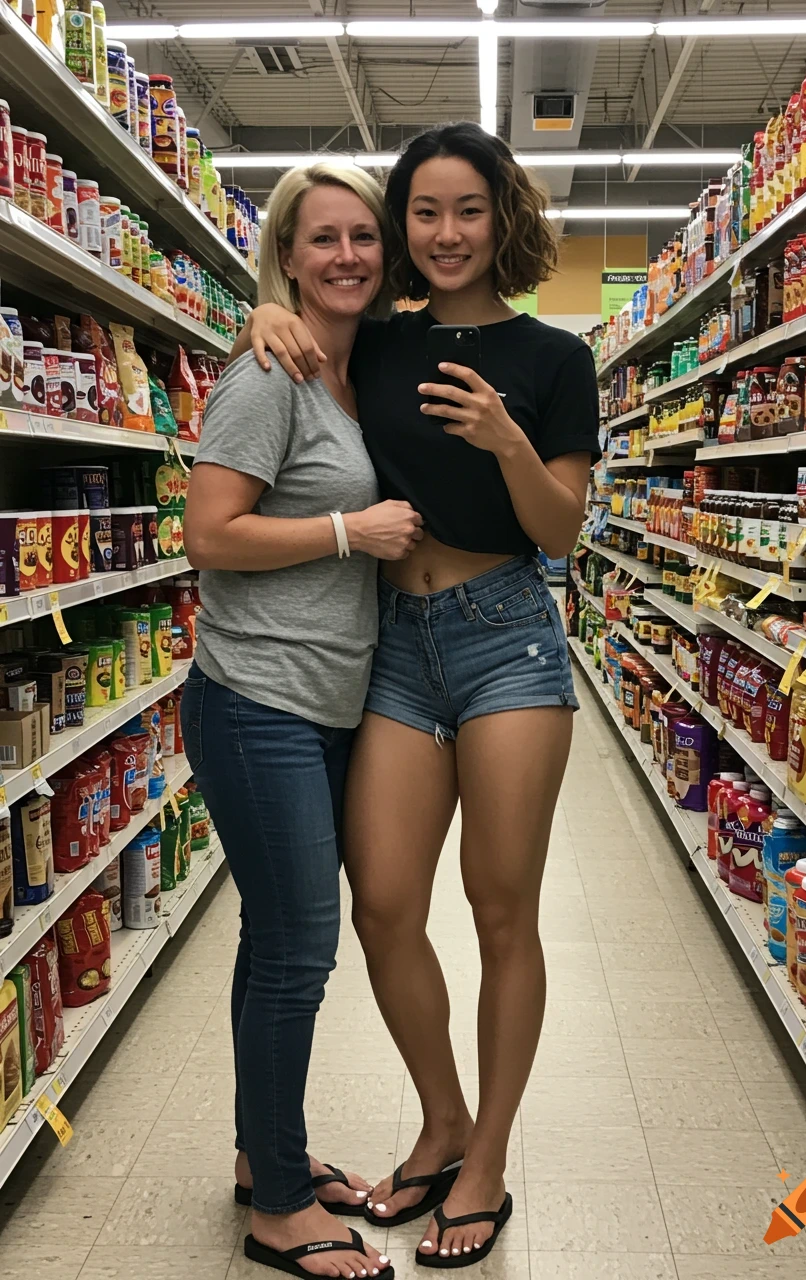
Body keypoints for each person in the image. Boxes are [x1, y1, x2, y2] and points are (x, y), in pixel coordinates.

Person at [234, 122, 600, 1270]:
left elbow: (561, 531)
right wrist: (262, 311)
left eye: (468, 210)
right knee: (383, 904)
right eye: (425, 213)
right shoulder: (378, 345)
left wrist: (505, 441)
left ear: (504, 219)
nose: (445, 234)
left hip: (508, 643)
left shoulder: (554, 358)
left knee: (501, 910)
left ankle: (483, 1154)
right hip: (391, 642)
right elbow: (297, 354)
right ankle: (439, 1115)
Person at [181, 160, 424, 1280]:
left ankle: (257, 1152)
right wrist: (347, 532)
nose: (345, 256)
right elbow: (211, 535)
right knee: (297, 952)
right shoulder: (269, 375)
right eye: (320, 239)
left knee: (269, 943)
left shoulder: (346, 369)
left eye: (362, 238)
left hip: (327, 704)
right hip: (257, 700)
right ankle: (278, 1206)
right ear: (286, 251)